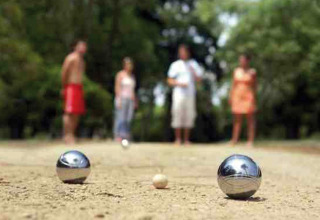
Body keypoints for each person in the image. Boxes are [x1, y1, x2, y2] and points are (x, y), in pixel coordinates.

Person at [167, 44, 203, 146]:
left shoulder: (193, 64)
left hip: (190, 94)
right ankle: (178, 139)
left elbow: (199, 79)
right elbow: (169, 80)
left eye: (184, 51)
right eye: (181, 51)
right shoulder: (175, 65)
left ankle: (186, 140)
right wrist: (179, 84)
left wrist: (194, 72)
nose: (183, 53)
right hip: (178, 94)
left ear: (188, 52)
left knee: (189, 115)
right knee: (177, 114)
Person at [61, 40, 87, 144]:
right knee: (69, 112)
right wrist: (64, 87)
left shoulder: (82, 61)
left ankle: (72, 134)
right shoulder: (70, 58)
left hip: (79, 87)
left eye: (84, 46)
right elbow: (64, 72)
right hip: (70, 86)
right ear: (76, 47)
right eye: (81, 46)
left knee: (77, 112)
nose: (83, 48)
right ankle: (67, 135)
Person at [229, 54, 257, 147]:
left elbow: (255, 86)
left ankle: (250, 141)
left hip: (248, 95)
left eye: (243, 60)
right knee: (237, 119)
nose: (242, 62)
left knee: (250, 119)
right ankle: (234, 140)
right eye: (240, 60)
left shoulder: (252, 72)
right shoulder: (236, 71)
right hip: (237, 95)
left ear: (247, 61)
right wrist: (231, 96)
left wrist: (254, 97)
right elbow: (233, 85)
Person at [114, 57, 137, 142]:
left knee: (128, 118)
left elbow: (133, 90)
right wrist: (118, 99)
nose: (129, 66)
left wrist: (134, 101)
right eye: (128, 64)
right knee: (121, 117)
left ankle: (126, 135)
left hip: (130, 99)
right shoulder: (120, 74)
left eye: (131, 64)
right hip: (122, 98)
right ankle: (118, 136)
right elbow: (117, 87)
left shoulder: (132, 76)